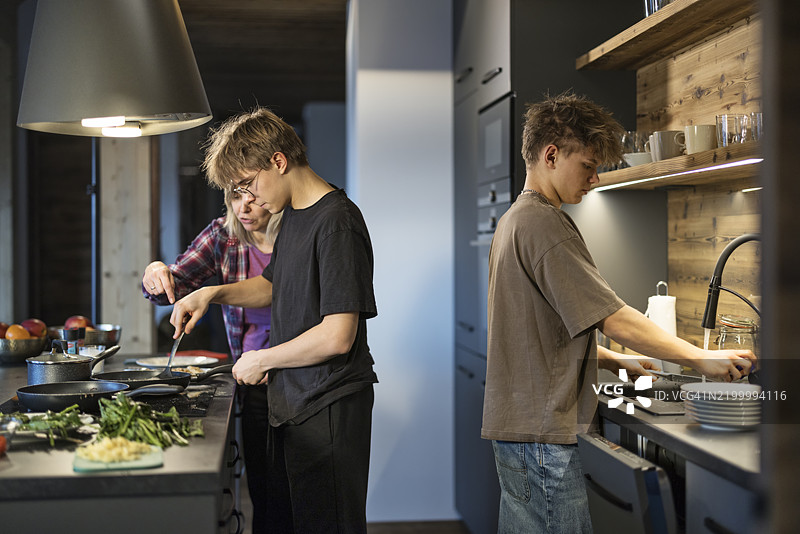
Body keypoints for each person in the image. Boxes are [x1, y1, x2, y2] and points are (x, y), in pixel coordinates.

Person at [481, 92, 757, 534]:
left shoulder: (514, 220)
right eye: (587, 166)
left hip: (522, 432)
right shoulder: (543, 223)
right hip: (543, 436)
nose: (593, 179)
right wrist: (700, 357)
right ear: (551, 155)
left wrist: (616, 360)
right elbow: (614, 318)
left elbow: (540, 332)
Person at [168, 107, 378, 534]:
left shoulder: (337, 222)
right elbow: (270, 285)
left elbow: (338, 335)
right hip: (295, 401)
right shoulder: (297, 217)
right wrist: (210, 292)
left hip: (328, 404)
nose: (248, 199)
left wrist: (263, 359)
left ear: (278, 161)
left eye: (248, 183)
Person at [141, 190, 289, 534]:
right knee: (266, 492)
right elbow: (170, 287)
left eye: (251, 196)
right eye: (234, 197)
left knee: (300, 495)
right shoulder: (223, 233)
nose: (243, 207)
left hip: (301, 373)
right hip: (254, 377)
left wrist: (211, 293)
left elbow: (277, 288)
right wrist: (155, 273)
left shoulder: (299, 229)